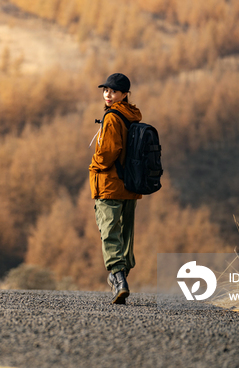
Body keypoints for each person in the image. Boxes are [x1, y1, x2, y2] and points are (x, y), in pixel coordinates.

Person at [89, 73, 142, 305]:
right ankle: (122, 280)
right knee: (126, 235)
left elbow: (109, 151)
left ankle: (118, 280)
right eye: (106, 90)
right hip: (130, 186)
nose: (108, 94)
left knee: (109, 233)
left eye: (113, 91)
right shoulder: (133, 116)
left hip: (110, 184)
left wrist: (94, 165)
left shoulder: (112, 118)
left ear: (124, 94)